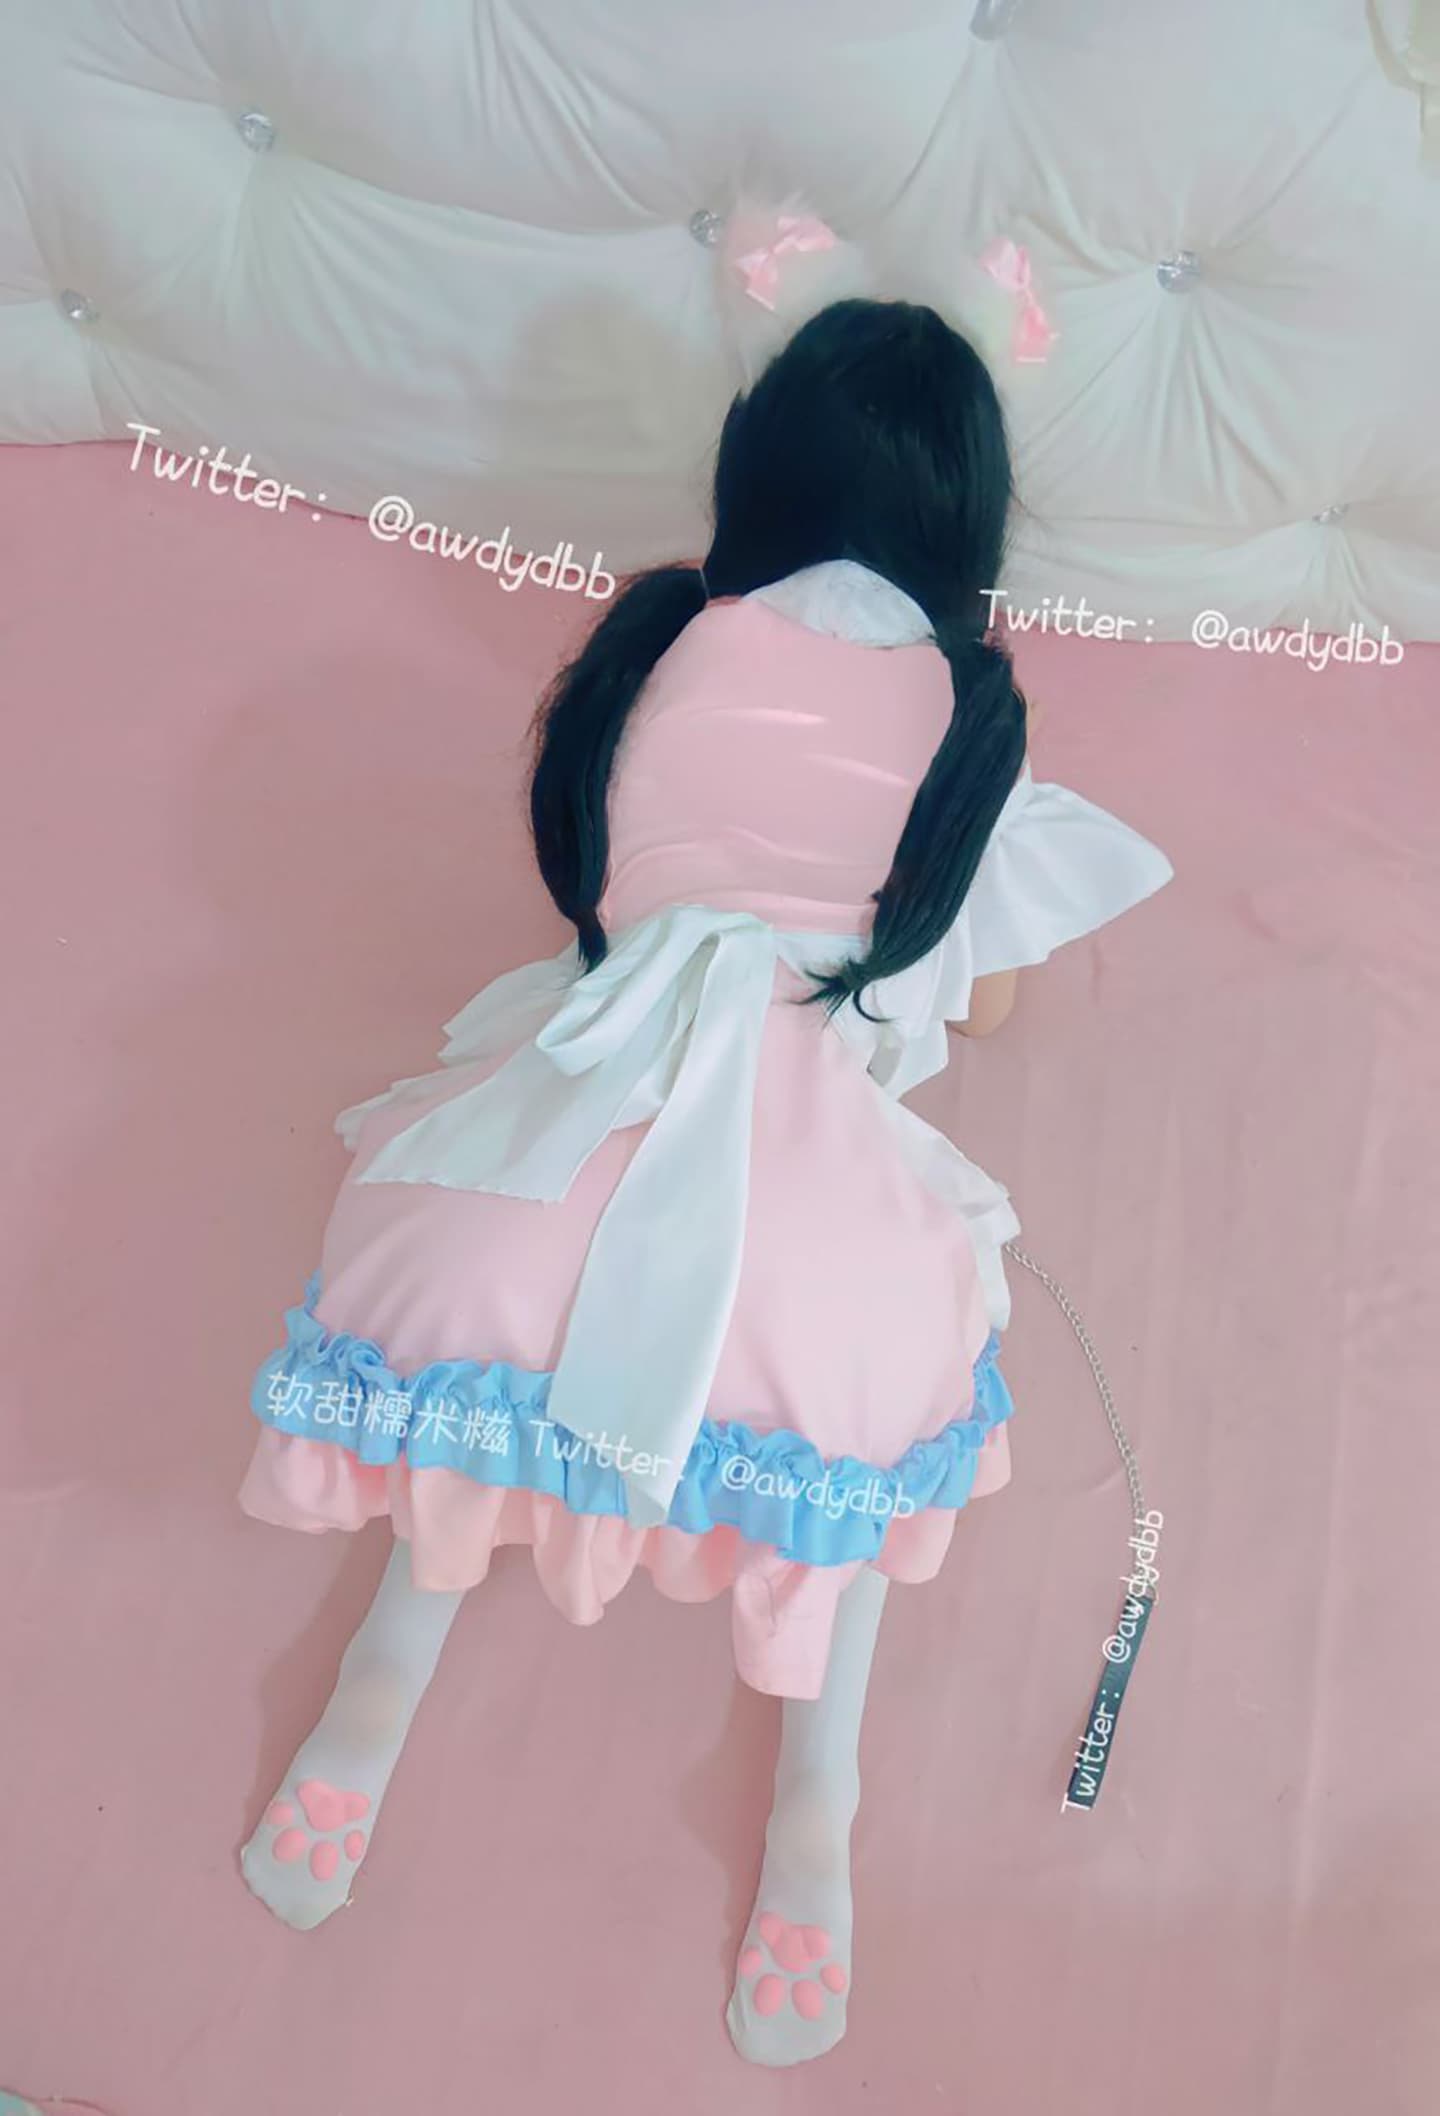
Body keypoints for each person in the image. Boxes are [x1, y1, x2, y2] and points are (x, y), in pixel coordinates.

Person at [237, 298, 1172, 2067]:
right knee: (873, 1403)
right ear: (969, 527)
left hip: (547, 1156)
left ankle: (381, 1674)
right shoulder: (973, 717)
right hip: (799, 1210)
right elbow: (969, 992)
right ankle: (819, 1803)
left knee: (483, 1352)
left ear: (751, 478)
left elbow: (596, 900)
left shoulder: (656, 640)